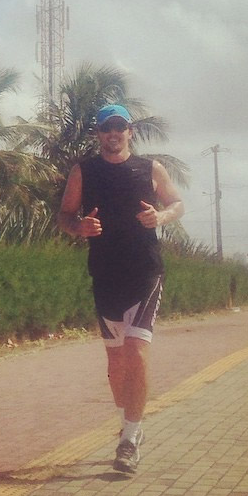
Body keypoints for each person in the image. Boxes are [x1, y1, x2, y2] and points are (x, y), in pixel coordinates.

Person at [58, 104, 184, 474]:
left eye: (120, 127)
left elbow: (176, 202)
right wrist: (78, 227)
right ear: (98, 134)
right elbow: (64, 215)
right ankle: (127, 422)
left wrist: (160, 216)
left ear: (130, 131)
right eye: (106, 128)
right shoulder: (84, 171)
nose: (113, 134)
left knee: (135, 350)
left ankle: (130, 437)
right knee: (115, 363)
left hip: (145, 272)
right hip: (105, 274)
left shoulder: (149, 169)